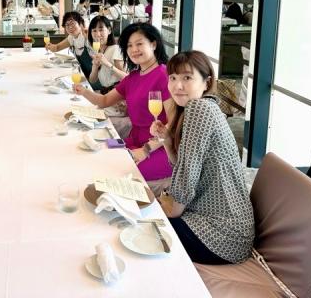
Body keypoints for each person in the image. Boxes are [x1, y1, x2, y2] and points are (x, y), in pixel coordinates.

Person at [153, 50, 254, 264]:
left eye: (187, 78)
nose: (178, 86)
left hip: (224, 235)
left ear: (206, 82)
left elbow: (187, 173)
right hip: (211, 220)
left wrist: (170, 211)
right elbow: (183, 164)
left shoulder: (200, 108)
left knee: (147, 231)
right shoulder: (201, 107)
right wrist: (168, 142)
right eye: (173, 78)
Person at [73, 23, 175, 196]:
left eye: (139, 44)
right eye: (129, 45)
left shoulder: (164, 75)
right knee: (101, 152)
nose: (134, 49)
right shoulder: (133, 77)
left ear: (153, 44)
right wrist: (83, 91)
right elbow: (104, 101)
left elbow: (172, 123)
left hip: (161, 148)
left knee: (124, 174)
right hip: (135, 140)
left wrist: (146, 149)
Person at [46, 11, 93, 78]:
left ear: (80, 24)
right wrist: (50, 46)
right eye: (67, 25)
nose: (70, 27)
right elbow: (57, 47)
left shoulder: (88, 36)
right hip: (82, 74)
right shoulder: (72, 38)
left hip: (94, 78)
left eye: (72, 23)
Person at [87, 16, 126, 92]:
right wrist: (95, 67)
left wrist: (107, 64)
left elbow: (126, 78)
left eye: (101, 30)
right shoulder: (97, 52)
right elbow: (92, 80)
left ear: (109, 30)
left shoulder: (115, 49)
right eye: (94, 30)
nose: (98, 34)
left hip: (117, 92)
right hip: (105, 92)